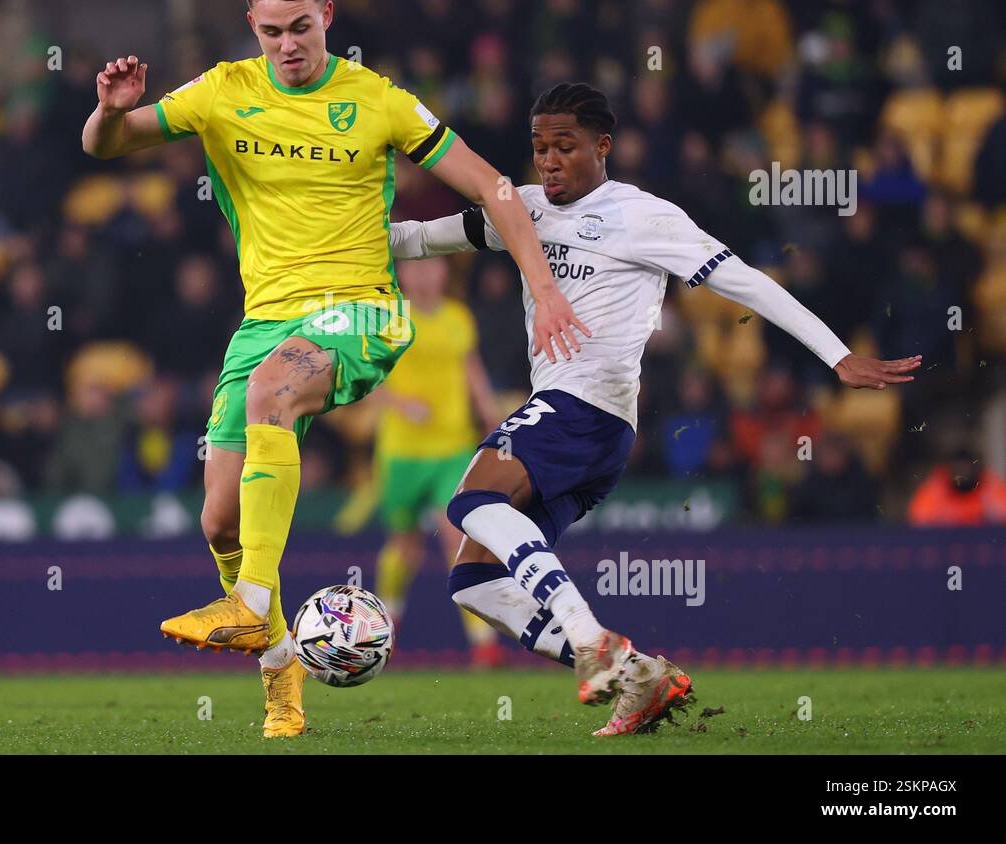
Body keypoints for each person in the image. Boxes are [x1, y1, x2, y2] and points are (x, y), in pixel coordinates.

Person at [82, 0, 584, 737]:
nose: (288, 44)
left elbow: (491, 187)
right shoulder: (222, 91)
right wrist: (112, 109)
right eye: (273, 30)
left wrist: (544, 289)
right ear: (253, 26)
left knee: (272, 392)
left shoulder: (376, 100)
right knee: (219, 519)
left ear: (329, 16)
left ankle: (248, 602)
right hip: (266, 324)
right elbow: (103, 148)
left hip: (361, 312)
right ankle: (281, 670)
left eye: (303, 27)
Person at [390, 82, 921, 735]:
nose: (549, 160)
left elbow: (747, 283)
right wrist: (315, 243)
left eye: (564, 146)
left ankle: (593, 641)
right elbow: (413, 240)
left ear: (602, 147)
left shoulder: (644, 216)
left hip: (586, 407)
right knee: (472, 582)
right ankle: (639, 675)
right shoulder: (521, 209)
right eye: (539, 149)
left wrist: (836, 355)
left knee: (472, 499)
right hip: (583, 427)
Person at [370, 257, 505, 666]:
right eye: (416, 267)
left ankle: (483, 643)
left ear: (445, 271)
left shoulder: (458, 317)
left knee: (458, 536)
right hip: (402, 452)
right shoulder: (391, 320)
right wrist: (400, 403)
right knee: (404, 545)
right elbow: (366, 378)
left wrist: (491, 414)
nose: (425, 274)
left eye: (432, 266)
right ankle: (384, 628)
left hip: (451, 448)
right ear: (404, 274)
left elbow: (471, 369)